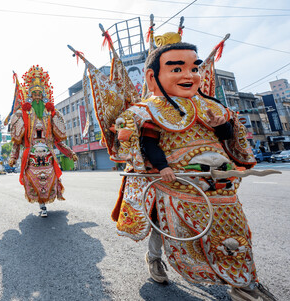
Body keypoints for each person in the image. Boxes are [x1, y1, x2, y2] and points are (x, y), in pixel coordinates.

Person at [88, 29, 276, 300]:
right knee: (160, 226)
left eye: (193, 68)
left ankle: (244, 281)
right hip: (173, 182)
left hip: (219, 184)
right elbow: (147, 144)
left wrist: (222, 126)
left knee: (235, 230)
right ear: (153, 78)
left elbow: (227, 140)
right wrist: (159, 163)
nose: (189, 75)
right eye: (177, 69)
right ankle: (154, 259)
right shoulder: (146, 110)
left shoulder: (213, 107)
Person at [7, 66, 78, 217]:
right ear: (30, 95)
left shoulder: (50, 112)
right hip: (31, 155)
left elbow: (57, 140)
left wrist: (70, 153)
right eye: (34, 94)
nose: (37, 96)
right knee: (35, 181)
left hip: (48, 155)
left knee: (49, 179)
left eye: (40, 93)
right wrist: (13, 157)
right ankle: (42, 205)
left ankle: (44, 203)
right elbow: (17, 141)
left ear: (44, 94)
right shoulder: (23, 113)